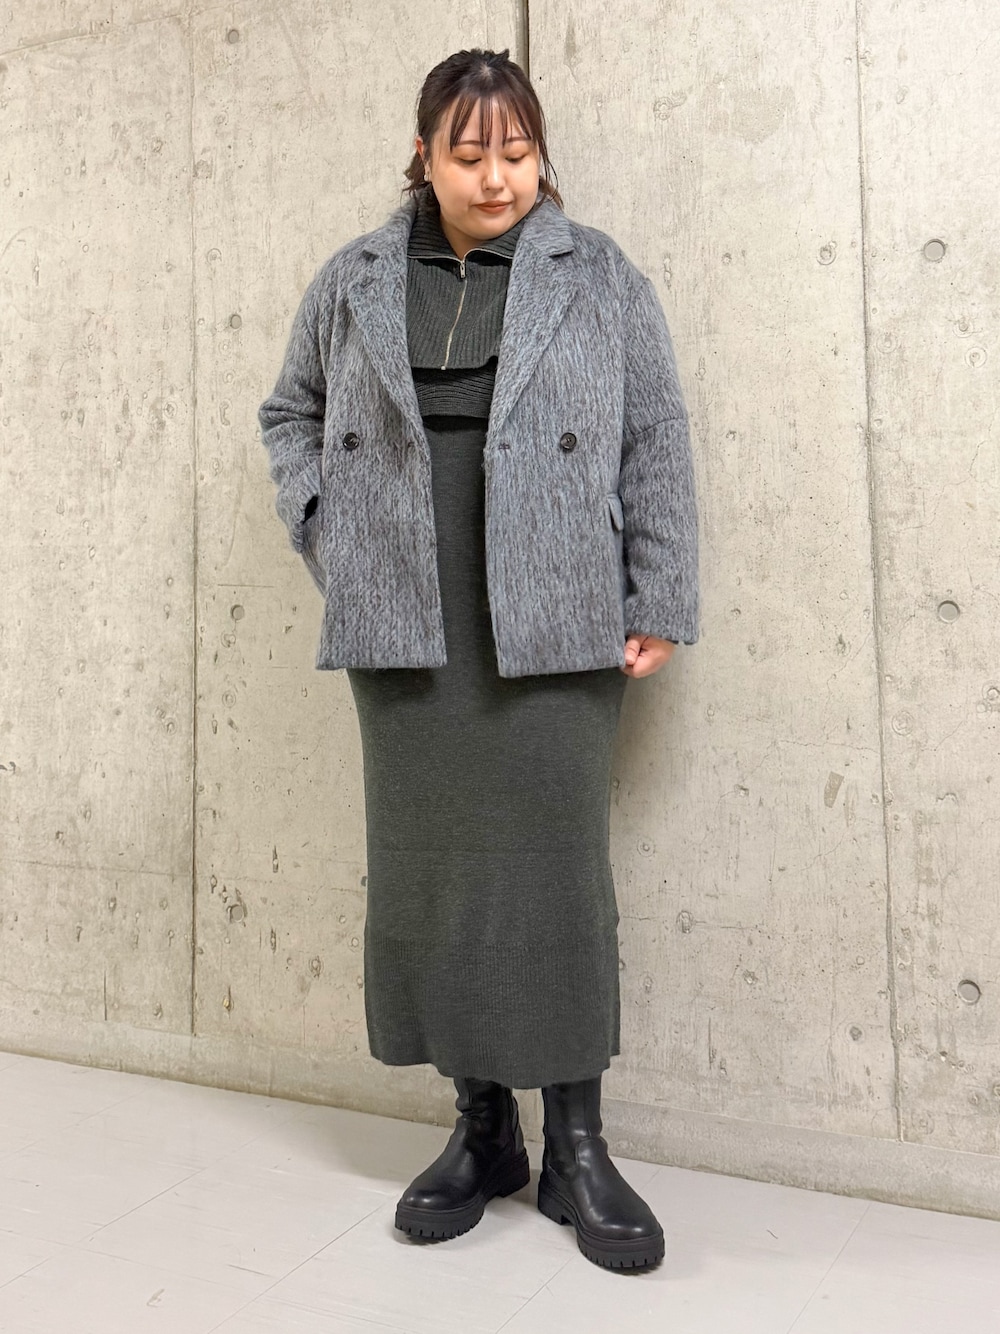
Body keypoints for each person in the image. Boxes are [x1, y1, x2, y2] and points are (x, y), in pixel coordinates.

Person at [259, 48, 699, 1273]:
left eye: (516, 152)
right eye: (469, 154)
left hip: (556, 610)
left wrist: (660, 593)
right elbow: (289, 411)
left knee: (556, 877)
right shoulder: (354, 278)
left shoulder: (596, 273)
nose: (497, 177)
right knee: (432, 876)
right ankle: (480, 1129)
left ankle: (577, 1145)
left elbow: (655, 434)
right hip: (404, 609)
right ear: (423, 156)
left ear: (539, 155)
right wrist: (329, 530)